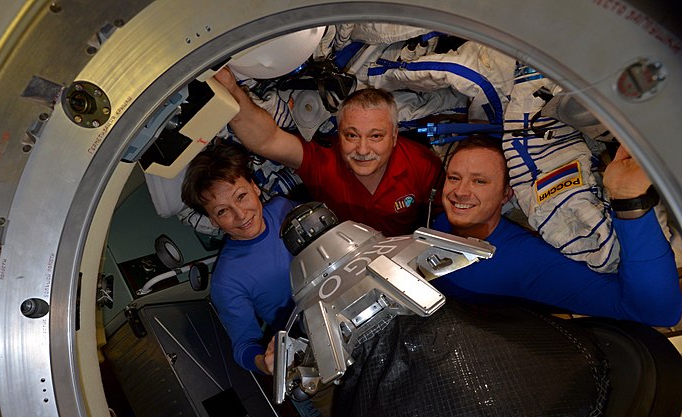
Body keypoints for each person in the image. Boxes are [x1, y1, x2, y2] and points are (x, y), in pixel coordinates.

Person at [430, 135, 682, 326]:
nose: (460, 191)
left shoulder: (526, 261)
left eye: (480, 181)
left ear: (506, 194)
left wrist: (629, 201)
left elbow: (656, 311)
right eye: (454, 178)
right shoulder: (439, 222)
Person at [214, 67, 442, 236]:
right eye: (351, 135)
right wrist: (231, 89)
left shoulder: (421, 164)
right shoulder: (323, 161)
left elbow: (450, 219)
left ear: (394, 136)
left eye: (376, 136)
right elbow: (267, 139)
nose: (362, 150)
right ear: (339, 133)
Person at [181, 141, 294, 374]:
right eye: (222, 211)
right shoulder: (227, 280)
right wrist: (264, 362)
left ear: (255, 187)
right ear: (213, 221)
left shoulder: (284, 209)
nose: (240, 215)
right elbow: (244, 345)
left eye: (241, 196)